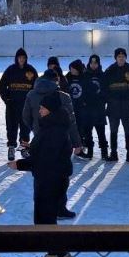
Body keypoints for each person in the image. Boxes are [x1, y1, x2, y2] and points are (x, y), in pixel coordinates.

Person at [8, 89, 79, 257]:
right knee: (43, 220)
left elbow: (45, 160)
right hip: (47, 179)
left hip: (52, 180)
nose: (39, 109)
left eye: (42, 107)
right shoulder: (50, 125)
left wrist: (20, 164)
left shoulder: (55, 130)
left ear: (51, 109)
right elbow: (44, 152)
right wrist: (31, 147)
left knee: (46, 222)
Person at [22, 68, 82, 220]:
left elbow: (25, 117)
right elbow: (71, 122)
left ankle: (43, 207)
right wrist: (77, 142)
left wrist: (36, 130)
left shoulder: (31, 94)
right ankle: (59, 209)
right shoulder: (63, 96)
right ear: (56, 80)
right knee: (61, 175)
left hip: (40, 139)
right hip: (61, 141)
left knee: (41, 174)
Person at [0, 48, 37, 161]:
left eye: (23, 58)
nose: (21, 59)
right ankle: (11, 147)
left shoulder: (31, 70)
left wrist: (32, 101)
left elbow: (36, 86)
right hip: (12, 105)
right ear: (16, 58)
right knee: (11, 126)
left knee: (25, 127)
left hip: (26, 106)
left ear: (26, 59)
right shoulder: (10, 70)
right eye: (20, 57)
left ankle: (24, 148)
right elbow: (2, 85)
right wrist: (7, 99)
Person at [102, 48, 129, 163]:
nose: (121, 58)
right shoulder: (109, 71)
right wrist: (109, 100)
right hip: (113, 107)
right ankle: (113, 153)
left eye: (123, 56)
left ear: (126, 57)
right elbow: (104, 88)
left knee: (128, 132)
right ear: (115, 58)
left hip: (127, 107)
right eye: (119, 56)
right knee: (113, 131)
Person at [81, 54, 108, 160]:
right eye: (92, 63)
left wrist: (102, 100)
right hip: (87, 108)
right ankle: (90, 152)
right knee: (88, 132)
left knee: (101, 131)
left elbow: (106, 90)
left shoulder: (103, 75)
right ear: (89, 63)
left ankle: (104, 152)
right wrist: (84, 102)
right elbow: (82, 90)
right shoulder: (85, 75)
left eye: (95, 63)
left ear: (98, 64)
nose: (93, 65)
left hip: (99, 108)